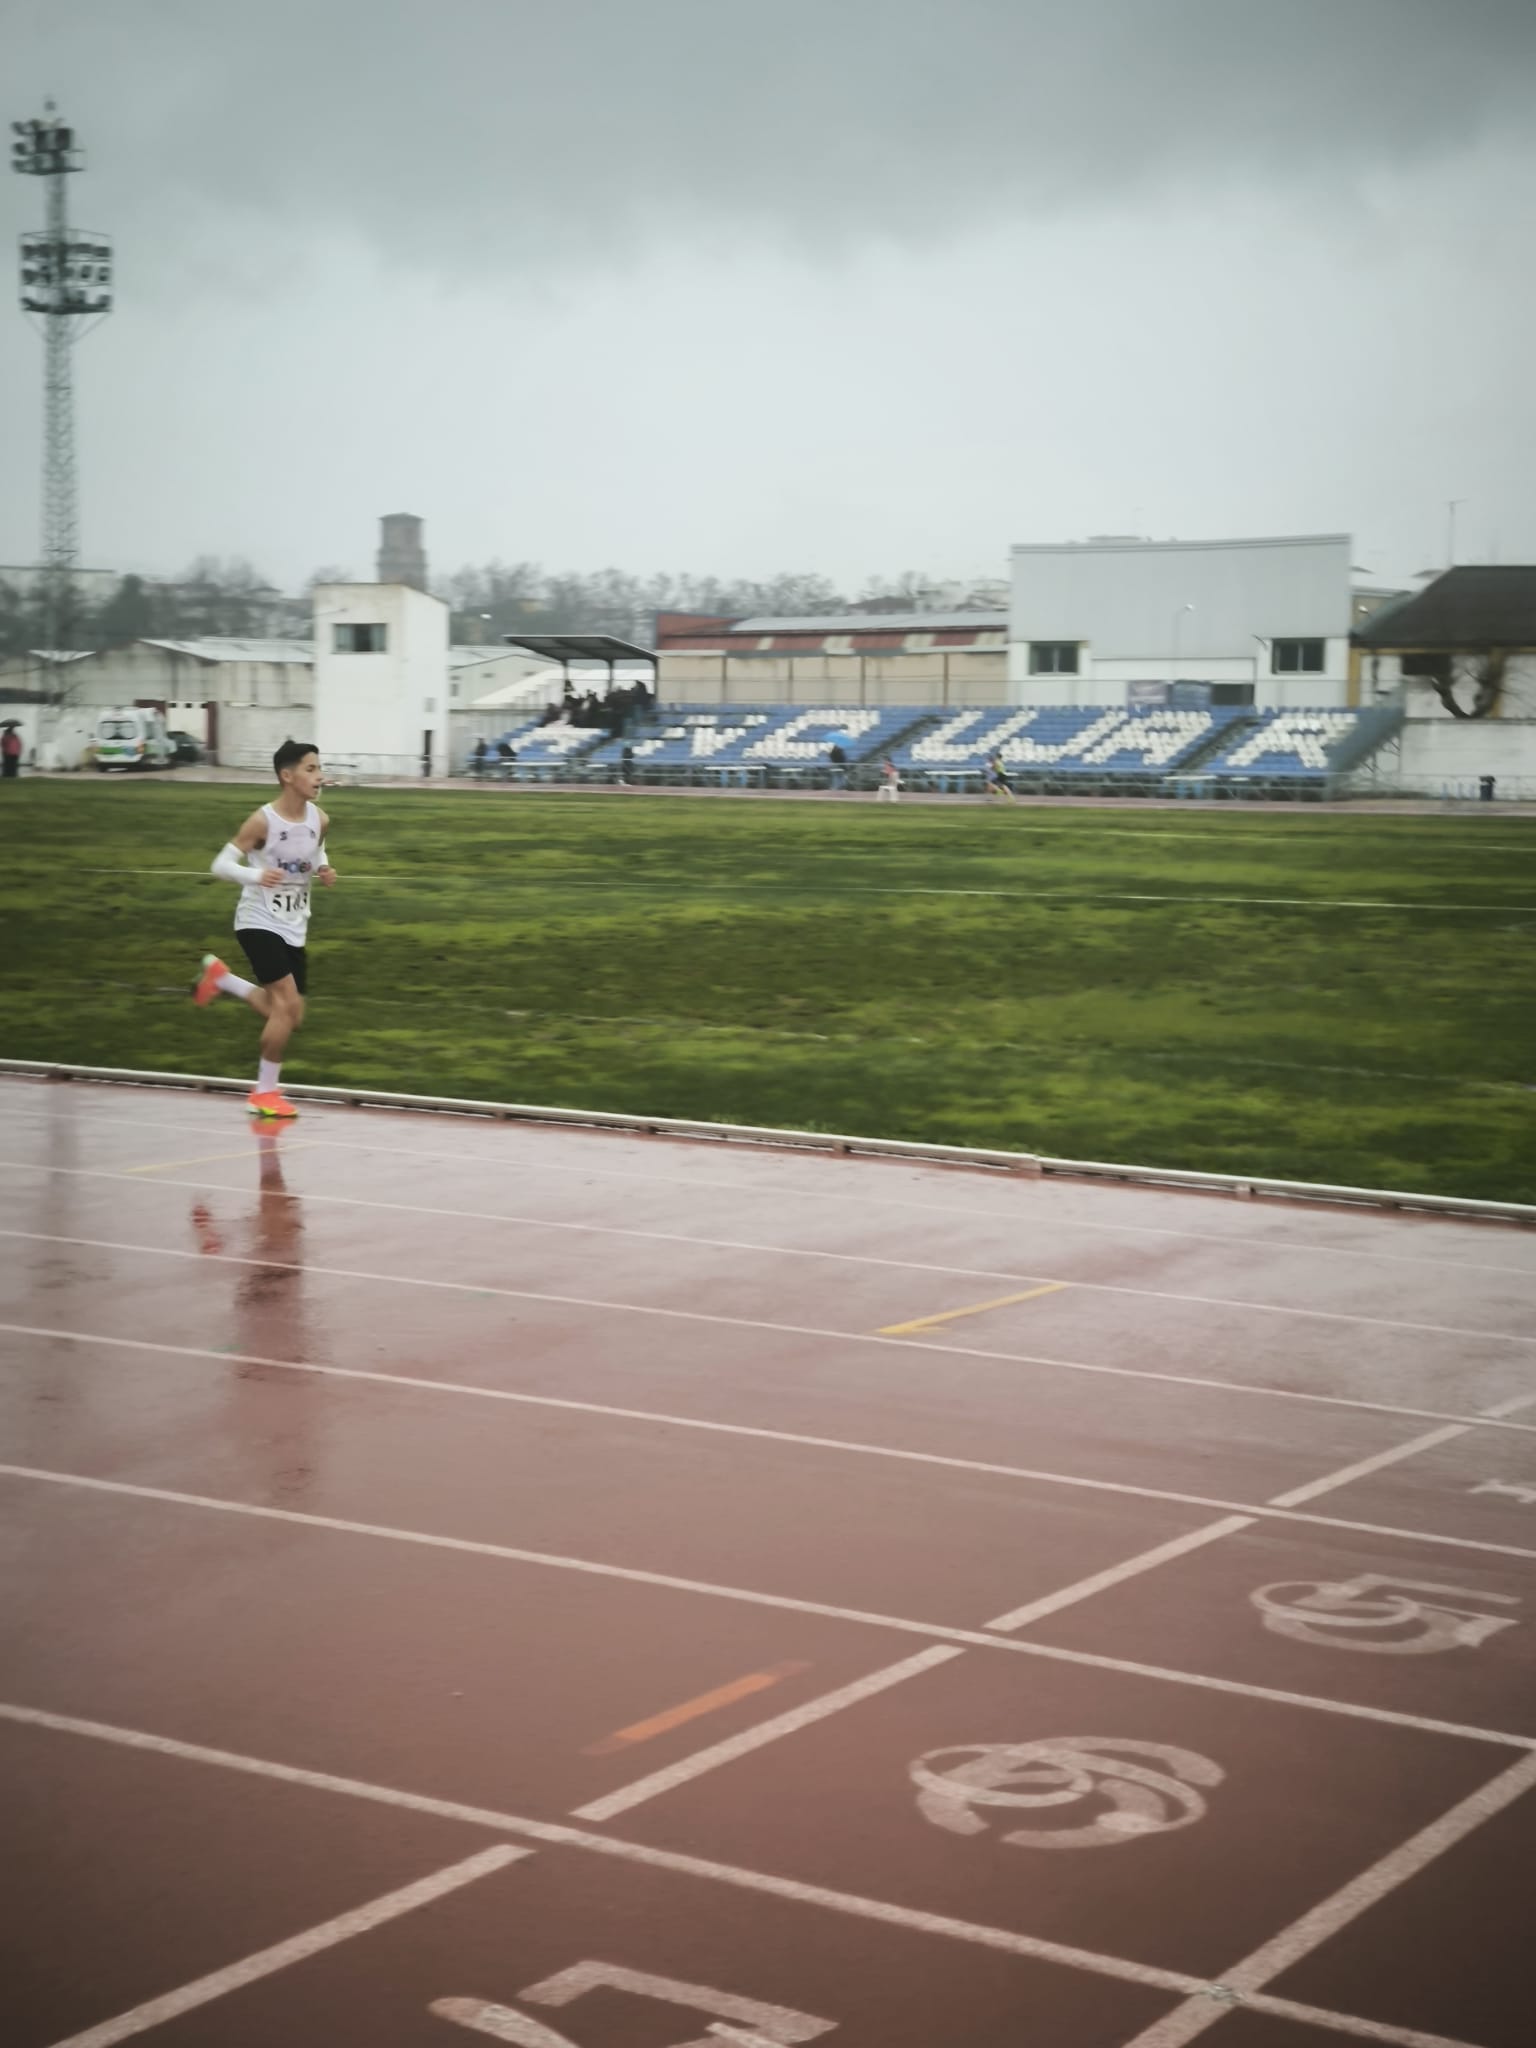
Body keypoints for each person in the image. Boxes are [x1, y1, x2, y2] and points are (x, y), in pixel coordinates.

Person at [192, 739, 336, 1118]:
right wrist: (256, 876)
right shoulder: (262, 821)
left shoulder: (320, 819)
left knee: (290, 1015)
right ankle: (264, 1093)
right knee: (286, 1007)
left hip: (295, 923)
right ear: (287, 776)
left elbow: (316, 848)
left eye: (319, 768)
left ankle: (221, 978)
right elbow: (220, 865)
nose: (319, 776)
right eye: (310, 769)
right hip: (257, 920)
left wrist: (323, 867)